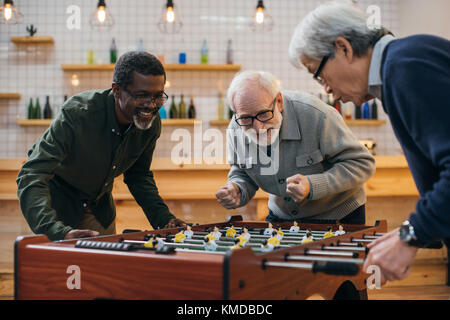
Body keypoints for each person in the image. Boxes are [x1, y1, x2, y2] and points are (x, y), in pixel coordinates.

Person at [288, 1, 450, 285]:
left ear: (344, 49)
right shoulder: (401, 65)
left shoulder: (405, 67)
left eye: (318, 73)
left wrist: (411, 234)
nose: (326, 90)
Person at [16, 51, 185, 241]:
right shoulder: (78, 114)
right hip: (56, 210)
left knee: (102, 268)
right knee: (58, 270)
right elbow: (31, 174)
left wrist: (165, 220)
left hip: (99, 210)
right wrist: (56, 231)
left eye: (158, 96)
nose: (152, 105)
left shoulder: (150, 124)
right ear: (117, 90)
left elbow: (139, 176)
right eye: (142, 95)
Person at [216, 70, 375, 225]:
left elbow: (362, 164)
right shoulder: (236, 127)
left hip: (338, 214)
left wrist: (313, 184)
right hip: (281, 215)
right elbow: (243, 172)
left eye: (264, 114)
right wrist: (237, 188)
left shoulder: (317, 115)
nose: (258, 127)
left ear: (279, 102)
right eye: (246, 118)